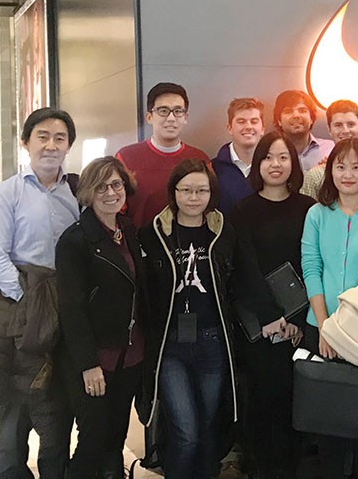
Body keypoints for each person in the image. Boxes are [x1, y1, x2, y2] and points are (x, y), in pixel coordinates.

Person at [0, 107, 77, 478]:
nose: (51, 145)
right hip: (17, 303)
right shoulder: (7, 194)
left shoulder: (76, 194)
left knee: (55, 410)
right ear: (26, 143)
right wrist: (29, 304)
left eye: (59, 138)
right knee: (14, 416)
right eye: (43, 136)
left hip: (64, 304)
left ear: (69, 145)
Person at [137, 159, 238, 478]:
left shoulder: (222, 232)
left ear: (211, 193)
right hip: (171, 348)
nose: (194, 197)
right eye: (186, 190)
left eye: (201, 190)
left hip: (212, 342)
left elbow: (237, 283)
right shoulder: (153, 234)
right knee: (186, 432)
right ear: (174, 192)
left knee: (208, 429)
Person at [300, 137, 358, 479]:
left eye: (356, 167)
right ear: (330, 172)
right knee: (328, 427)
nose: (348, 174)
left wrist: (343, 330)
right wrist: (326, 328)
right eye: (340, 166)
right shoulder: (316, 214)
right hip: (319, 327)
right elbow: (311, 269)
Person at [229, 131, 315, 478]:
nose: (275, 164)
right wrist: (271, 316)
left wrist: (297, 318)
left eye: (283, 157)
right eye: (267, 157)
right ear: (257, 164)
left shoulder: (309, 208)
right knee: (262, 404)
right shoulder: (241, 211)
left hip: (300, 324)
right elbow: (244, 268)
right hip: (261, 326)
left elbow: (312, 264)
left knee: (298, 404)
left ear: (293, 163)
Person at [55, 157, 147, 478]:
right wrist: (87, 364)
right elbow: (72, 308)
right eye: (101, 186)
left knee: (116, 438)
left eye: (117, 184)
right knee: (92, 441)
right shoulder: (75, 240)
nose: (111, 192)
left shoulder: (128, 230)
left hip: (130, 355)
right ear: (88, 193)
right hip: (96, 360)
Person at [116, 82, 210, 229]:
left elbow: (209, 209)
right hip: (140, 247)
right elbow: (116, 211)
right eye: (163, 110)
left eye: (178, 111)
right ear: (149, 117)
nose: (171, 118)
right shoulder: (126, 157)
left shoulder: (200, 159)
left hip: (189, 247)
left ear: (185, 117)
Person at [299, 99, 358, 198]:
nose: (345, 130)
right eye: (338, 125)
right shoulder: (316, 177)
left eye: (351, 124)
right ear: (329, 130)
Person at [212, 97, 265, 212]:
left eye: (254, 121)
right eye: (241, 121)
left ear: (262, 129)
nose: (248, 127)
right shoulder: (213, 169)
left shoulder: (272, 168)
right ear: (230, 128)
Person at [273, 90, 335, 172]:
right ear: (279, 121)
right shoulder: (270, 153)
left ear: (312, 118)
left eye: (302, 111)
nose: (296, 115)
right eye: (288, 111)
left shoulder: (330, 149)